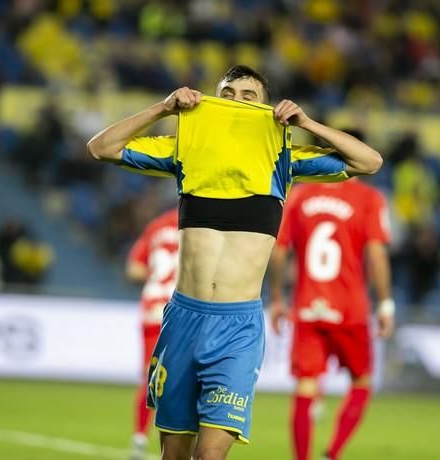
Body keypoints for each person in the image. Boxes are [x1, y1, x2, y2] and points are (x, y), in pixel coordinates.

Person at [87, 65, 382, 460]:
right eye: (228, 94)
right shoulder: (185, 150)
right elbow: (101, 148)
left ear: (266, 107)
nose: (238, 102)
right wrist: (163, 108)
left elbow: (369, 162)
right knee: (173, 454)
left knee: (210, 455)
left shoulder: (283, 160)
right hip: (183, 320)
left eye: (249, 96)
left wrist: (307, 121)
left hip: (237, 329)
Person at [269, 163, 395, 460]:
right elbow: (376, 254)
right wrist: (386, 303)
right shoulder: (369, 198)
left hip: (308, 307)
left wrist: (276, 297)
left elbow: (279, 249)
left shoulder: (299, 196)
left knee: (305, 387)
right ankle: (332, 453)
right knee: (362, 382)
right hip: (350, 310)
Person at [126, 207, 179, 460]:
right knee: (181, 380)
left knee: (150, 376)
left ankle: (139, 437)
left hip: (152, 308)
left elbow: (133, 269)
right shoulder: (200, 224)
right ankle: (177, 443)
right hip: (180, 309)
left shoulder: (157, 226)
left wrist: (155, 274)